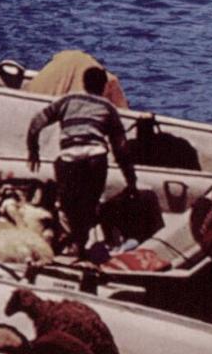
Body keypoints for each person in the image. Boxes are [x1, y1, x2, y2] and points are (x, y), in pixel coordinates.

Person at [27, 65, 137, 257]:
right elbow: (121, 149)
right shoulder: (108, 108)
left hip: (69, 159)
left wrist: (33, 151)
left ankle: (71, 246)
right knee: (89, 204)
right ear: (104, 87)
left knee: (68, 205)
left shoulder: (67, 101)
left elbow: (37, 122)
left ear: (84, 84)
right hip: (95, 158)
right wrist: (131, 180)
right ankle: (82, 246)